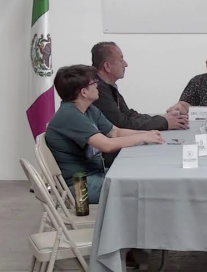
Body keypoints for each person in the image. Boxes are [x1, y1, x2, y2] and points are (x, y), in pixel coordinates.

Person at [45, 65, 164, 204]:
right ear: (84, 92)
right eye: (94, 83)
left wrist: (148, 133)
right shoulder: (70, 115)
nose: (97, 86)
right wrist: (142, 137)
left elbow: (115, 132)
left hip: (96, 174)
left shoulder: (89, 109)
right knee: (141, 187)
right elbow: (106, 145)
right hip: (78, 186)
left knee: (140, 176)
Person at [91, 42, 188, 166]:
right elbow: (122, 124)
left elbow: (128, 115)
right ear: (107, 66)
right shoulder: (97, 91)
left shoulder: (108, 86)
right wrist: (164, 122)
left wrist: (163, 119)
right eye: (121, 60)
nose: (125, 64)